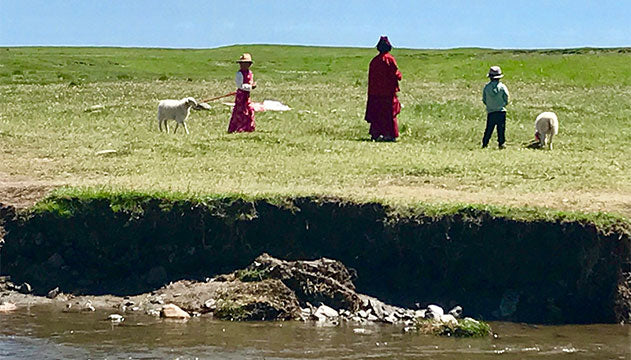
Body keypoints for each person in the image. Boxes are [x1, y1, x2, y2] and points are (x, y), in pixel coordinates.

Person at [365, 36, 402, 141]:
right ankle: (390, 134)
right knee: (389, 113)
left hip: (375, 92)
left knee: (377, 113)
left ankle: (376, 134)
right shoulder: (389, 59)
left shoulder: (374, 61)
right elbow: (395, 74)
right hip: (387, 93)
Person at [482, 66, 510, 149]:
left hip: (491, 111)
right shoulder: (502, 87)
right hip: (501, 111)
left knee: (489, 128)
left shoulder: (486, 87)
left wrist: (490, 105)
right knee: (501, 129)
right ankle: (501, 143)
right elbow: (506, 97)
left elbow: (484, 99)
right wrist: (503, 104)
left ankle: (485, 143)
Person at [228, 53, 257, 133]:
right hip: (241, 95)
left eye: (246, 64)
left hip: (247, 95)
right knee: (240, 111)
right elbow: (240, 85)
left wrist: (252, 85)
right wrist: (250, 87)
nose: (243, 65)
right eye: (242, 64)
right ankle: (238, 128)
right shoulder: (239, 74)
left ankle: (248, 128)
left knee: (249, 110)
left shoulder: (250, 73)